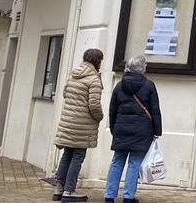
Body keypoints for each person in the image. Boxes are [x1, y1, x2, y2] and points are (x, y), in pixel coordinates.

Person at [45, 49, 105, 202]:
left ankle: (59, 188)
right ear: (97, 61)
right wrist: (99, 117)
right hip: (82, 125)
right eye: (100, 60)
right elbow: (94, 105)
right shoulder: (93, 79)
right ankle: (69, 191)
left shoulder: (73, 74)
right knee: (78, 156)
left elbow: (65, 94)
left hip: (68, 122)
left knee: (67, 154)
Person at [104, 55, 161, 203]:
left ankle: (109, 196)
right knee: (135, 163)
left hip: (121, 129)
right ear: (142, 68)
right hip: (142, 131)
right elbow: (155, 110)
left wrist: (113, 129)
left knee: (117, 161)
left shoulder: (119, 85)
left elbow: (112, 110)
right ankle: (128, 197)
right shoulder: (149, 85)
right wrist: (157, 131)